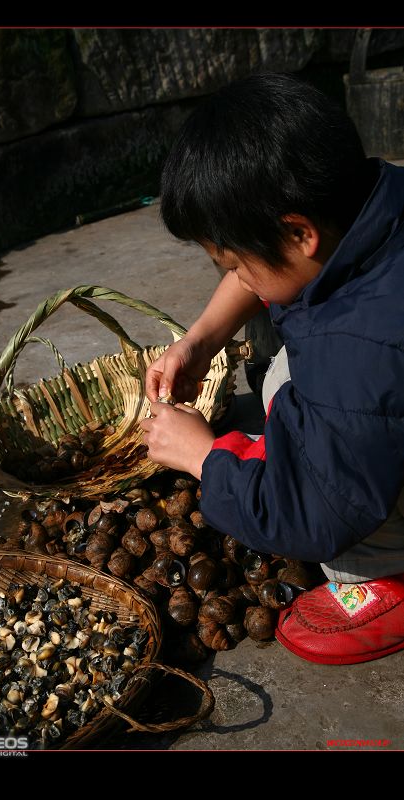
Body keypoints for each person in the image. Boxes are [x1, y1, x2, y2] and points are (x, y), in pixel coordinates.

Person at [139, 73, 404, 665]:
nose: (239, 278)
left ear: (299, 232)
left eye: (235, 263)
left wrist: (201, 458)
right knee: (285, 371)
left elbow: (315, 512)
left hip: (363, 439)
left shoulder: (359, 348)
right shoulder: (373, 205)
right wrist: (201, 341)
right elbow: (266, 274)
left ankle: (386, 574)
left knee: (291, 388)